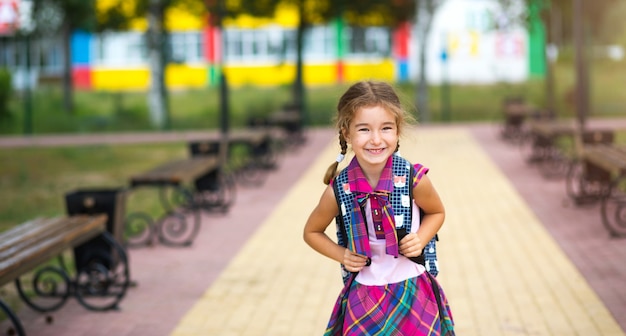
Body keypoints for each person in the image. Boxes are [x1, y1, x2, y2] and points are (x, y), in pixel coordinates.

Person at [303, 80, 455, 335]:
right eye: (364, 129)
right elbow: (311, 232)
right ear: (346, 133)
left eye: (386, 128)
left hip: (413, 289)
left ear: (397, 132)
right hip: (364, 294)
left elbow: (437, 212)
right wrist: (342, 255)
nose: (376, 139)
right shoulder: (339, 189)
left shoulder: (412, 179)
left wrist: (421, 238)